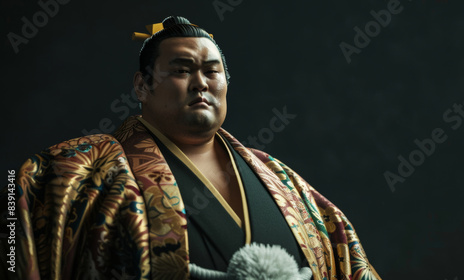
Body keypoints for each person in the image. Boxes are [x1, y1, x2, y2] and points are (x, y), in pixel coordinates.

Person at [3, 16, 382, 280]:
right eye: (182, 70)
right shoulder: (76, 170)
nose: (200, 83)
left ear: (226, 84)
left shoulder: (285, 183)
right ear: (141, 86)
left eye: (212, 71)